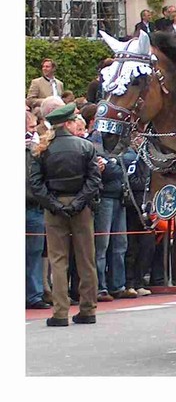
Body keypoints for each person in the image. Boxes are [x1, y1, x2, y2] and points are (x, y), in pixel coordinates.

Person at [28, 103, 103, 326]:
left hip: (54, 207)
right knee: (86, 259)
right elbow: (94, 180)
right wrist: (79, 202)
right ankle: (88, 309)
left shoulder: (42, 148)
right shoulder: (85, 146)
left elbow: (35, 183)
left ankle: (60, 312)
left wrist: (54, 205)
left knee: (58, 260)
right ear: (69, 122)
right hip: (81, 207)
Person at [86, 107, 128, 302]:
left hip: (120, 195)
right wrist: (114, 165)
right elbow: (110, 169)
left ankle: (118, 285)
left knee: (120, 243)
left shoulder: (120, 139)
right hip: (104, 197)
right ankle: (100, 286)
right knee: (101, 245)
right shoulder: (93, 141)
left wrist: (114, 165)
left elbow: (124, 164)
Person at [26, 109, 50, 310]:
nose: (33, 132)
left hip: (33, 206)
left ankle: (34, 295)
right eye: (31, 127)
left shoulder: (36, 150)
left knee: (34, 253)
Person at [122, 143, 153, 298]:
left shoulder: (148, 158)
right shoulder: (131, 158)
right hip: (134, 204)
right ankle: (130, 282)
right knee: (131, 246)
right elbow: (131, 181)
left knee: (147, 245)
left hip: (146, 205)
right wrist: (149, 183)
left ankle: (140, 281)